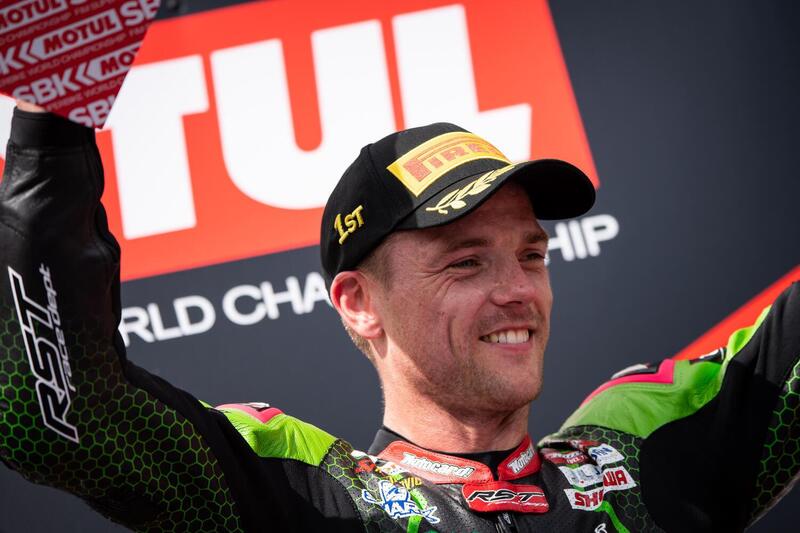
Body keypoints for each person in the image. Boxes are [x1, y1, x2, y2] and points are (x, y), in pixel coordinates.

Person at [0, 102, 797, 533]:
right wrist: (54, 117)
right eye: (466, 262)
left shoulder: (639, 452)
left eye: (531, 254)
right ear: (359, 303)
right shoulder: (307, 494)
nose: (518, 289)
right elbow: (54, 419)